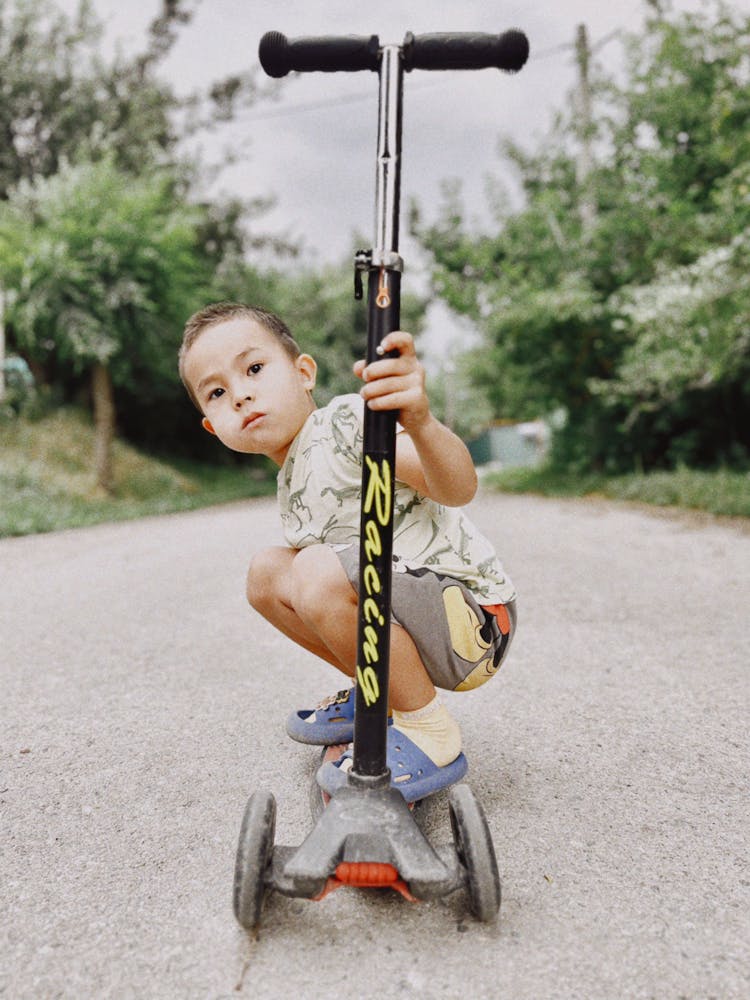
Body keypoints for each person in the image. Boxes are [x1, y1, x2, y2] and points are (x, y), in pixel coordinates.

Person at [179, 301, 516, 802]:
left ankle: (428, 729)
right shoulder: (292, 478)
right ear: (212, 426)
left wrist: (421, 423)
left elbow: (457, 486)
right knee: (266, 574)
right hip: (419, 612)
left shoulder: (345, 423)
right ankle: (381, 698)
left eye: (253, 369)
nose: (241, 394)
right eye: (217, 393)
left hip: (473, 620)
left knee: (315, 569)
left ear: (304, 372)